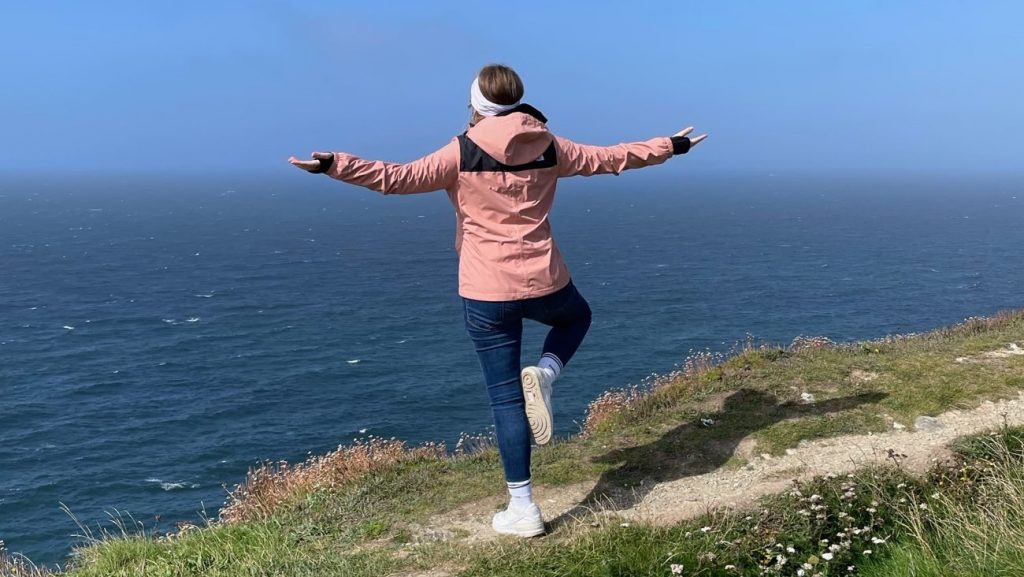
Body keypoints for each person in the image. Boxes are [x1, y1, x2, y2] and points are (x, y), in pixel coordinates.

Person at [288, 63, 707, 537]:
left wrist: (333, 164)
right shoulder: (551, 146)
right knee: (577, 318)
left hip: (486, 291)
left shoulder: (461, 151)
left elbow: (396, 178)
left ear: (475, 105)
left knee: (505, 400)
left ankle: (523, 508)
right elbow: (611, 158)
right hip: (546, 279)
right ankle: (547, 372)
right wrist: (670, 146)